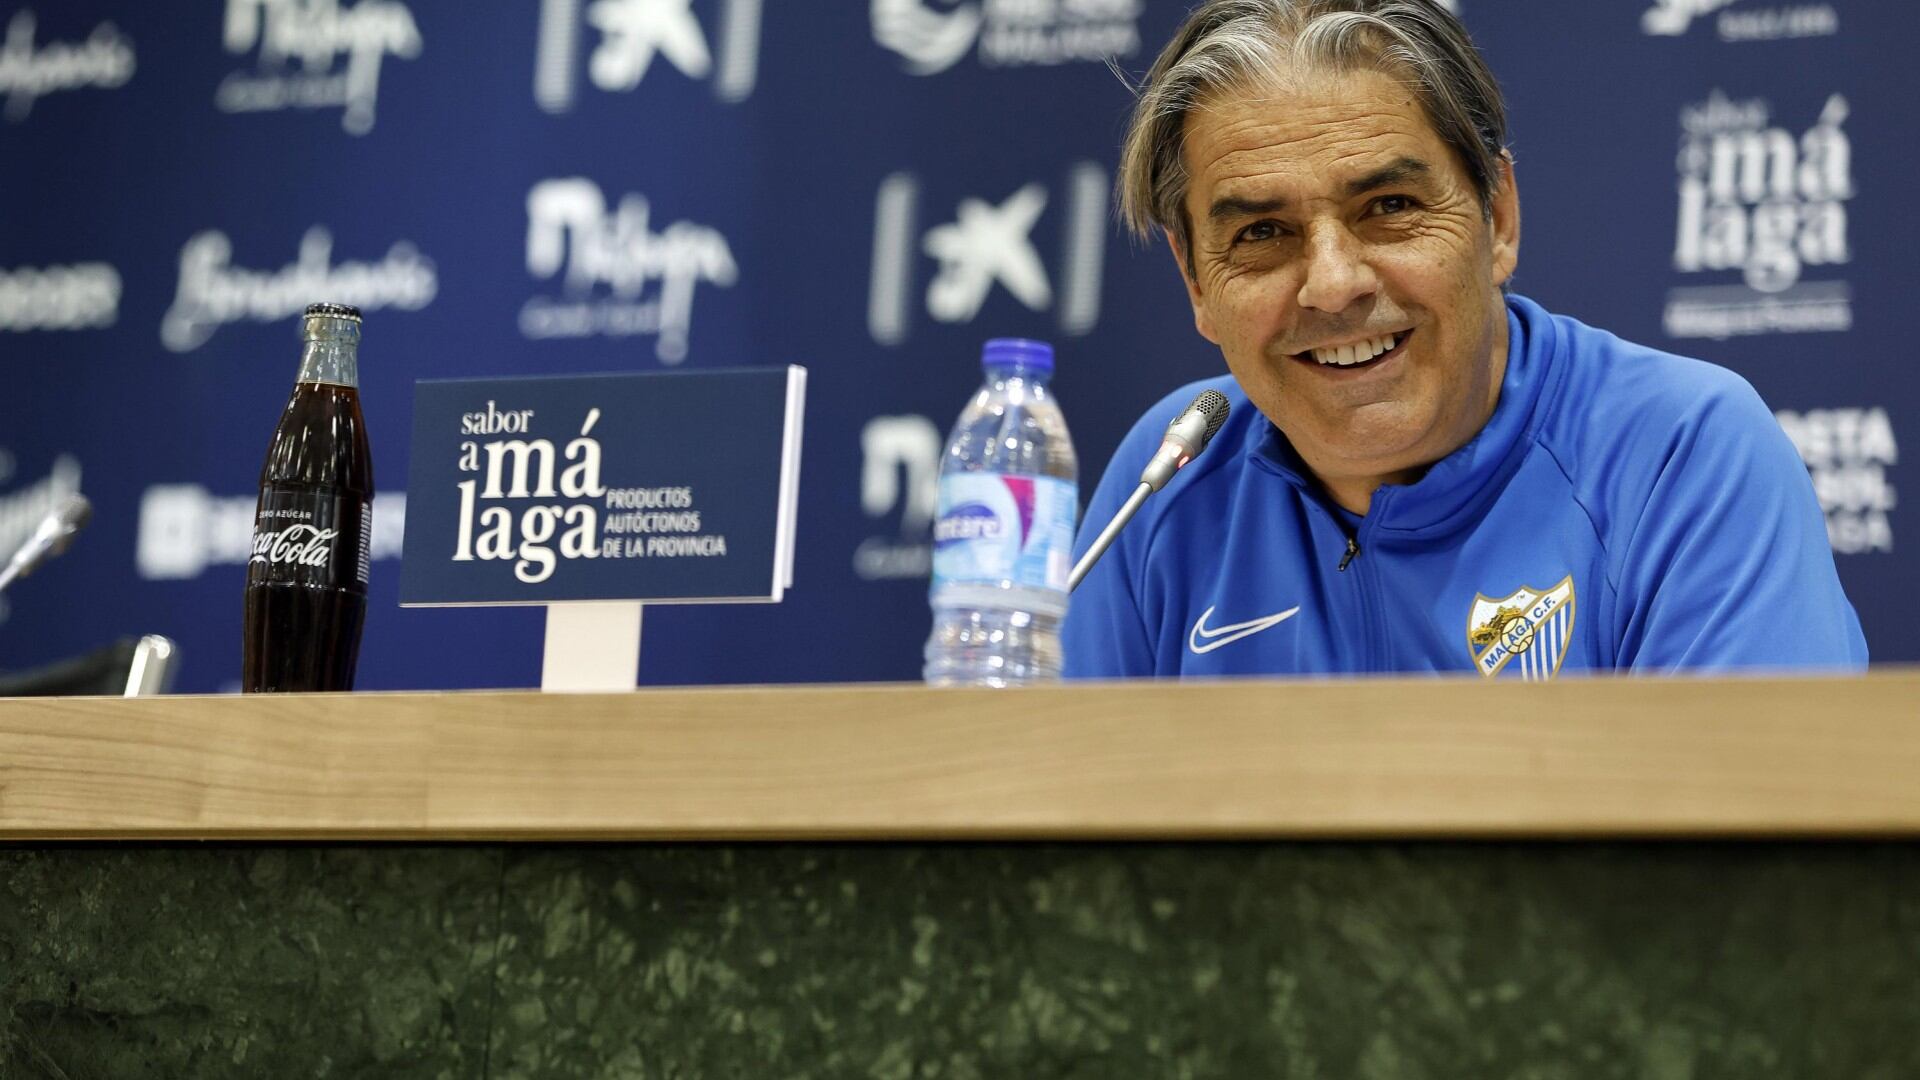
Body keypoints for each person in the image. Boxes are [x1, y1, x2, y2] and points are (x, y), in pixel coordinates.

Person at [1062, 0, 1866, 679]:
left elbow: (1756, 844)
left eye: (1390, 207)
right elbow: (1051, 823)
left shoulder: (1681, 453)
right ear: (1197, 281)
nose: (1334, 284)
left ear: (1499, 216)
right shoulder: (1169, 476)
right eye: (1264, 232)